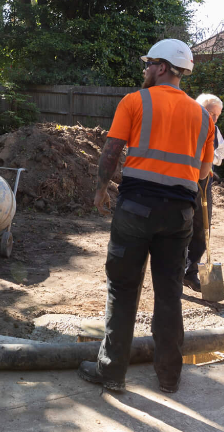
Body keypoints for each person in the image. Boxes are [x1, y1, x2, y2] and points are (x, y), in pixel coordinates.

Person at [78, 39, 216, 395]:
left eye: (149, 64)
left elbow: (111, 152)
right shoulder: (204, 117)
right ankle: (169, 377)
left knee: (122, 289)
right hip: (179, 217)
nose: (145, 70)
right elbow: (202, 175)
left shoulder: (134, 101)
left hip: (135, 210)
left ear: (162, 67)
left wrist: (99, 189)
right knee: (169, 294)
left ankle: (112, 374)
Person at [184, 93, 224, 292]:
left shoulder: (215, 129)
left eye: (217, 115)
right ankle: (175, 274)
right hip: (182, 179)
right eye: (211, 113)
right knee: (180, 226)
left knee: (202, 227)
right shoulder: (185, 125)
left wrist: (211, 161)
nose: (214, 118)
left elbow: (222, 151)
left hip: (205, 181)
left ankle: (191, 273)